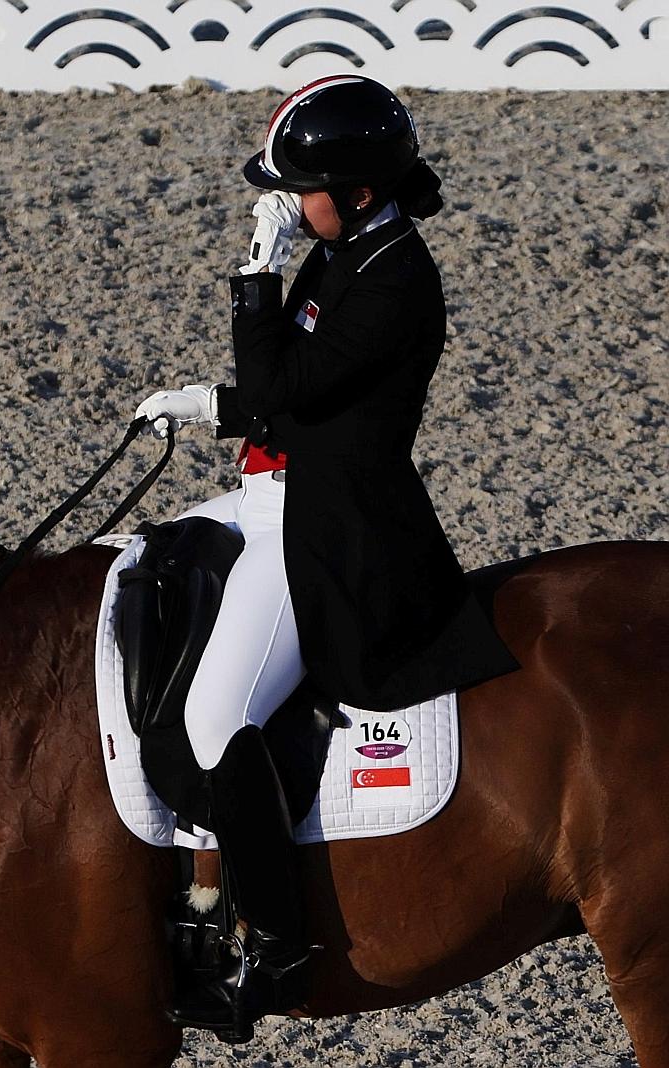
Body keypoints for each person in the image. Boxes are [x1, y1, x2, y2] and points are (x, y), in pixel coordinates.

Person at [133, 75, 519, 1034]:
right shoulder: (354, 249)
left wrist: (254, 277)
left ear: (352, 192)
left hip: (334, 528)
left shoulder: (396, 279)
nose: (288, 207)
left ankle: (277, 942)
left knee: (221, 709)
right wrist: (208, 405)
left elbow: (281, 375)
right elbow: (292, 397)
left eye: (300, 193)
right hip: (281, 489)